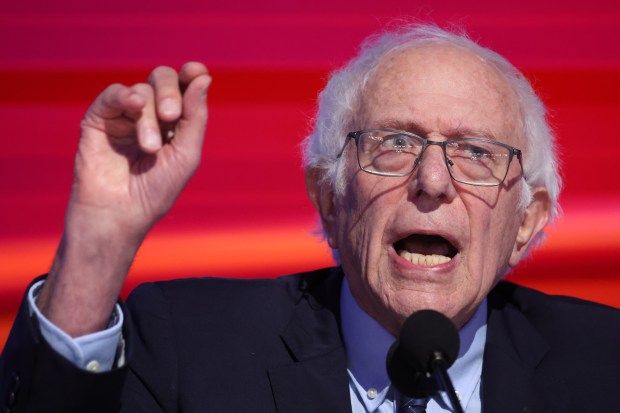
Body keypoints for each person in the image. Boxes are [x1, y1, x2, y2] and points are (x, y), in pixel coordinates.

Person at [1, 23, 620, 413]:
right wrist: (95, 245)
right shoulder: (187, 346)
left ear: (525, 223)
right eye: (394, 144)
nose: (432, 183)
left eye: (476, 154)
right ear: (329, 195)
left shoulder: (605, 364)